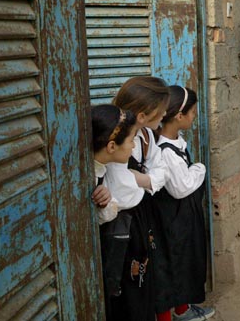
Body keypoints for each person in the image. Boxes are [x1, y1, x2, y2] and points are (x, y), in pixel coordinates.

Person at [103, 76, 170, 320]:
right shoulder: (118, 138)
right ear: (142, 116)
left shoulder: (147, 136)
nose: (164, 117)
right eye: (161, 113)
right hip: (123, 225)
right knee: (128, 287)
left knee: (146, 277)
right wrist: (147, 180)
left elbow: (162, 174)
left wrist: (139, 178)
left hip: (142, 218)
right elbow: (124, 194)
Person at [153, 85, 215, 321]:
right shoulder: (165, 151)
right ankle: (169, 316)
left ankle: (182, 309)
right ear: (179, 116)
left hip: (181, 218)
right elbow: (180, 188)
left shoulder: (175, 141)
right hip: (171, 219)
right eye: (192, 112)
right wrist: (199, 168)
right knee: (171, 266)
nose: (194, 116)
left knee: (184, 262)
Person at [92, 104, 149, 320]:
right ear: (112, 146)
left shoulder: (101, 171)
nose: (134, 146)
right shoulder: (86, 177)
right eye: (131, 140)